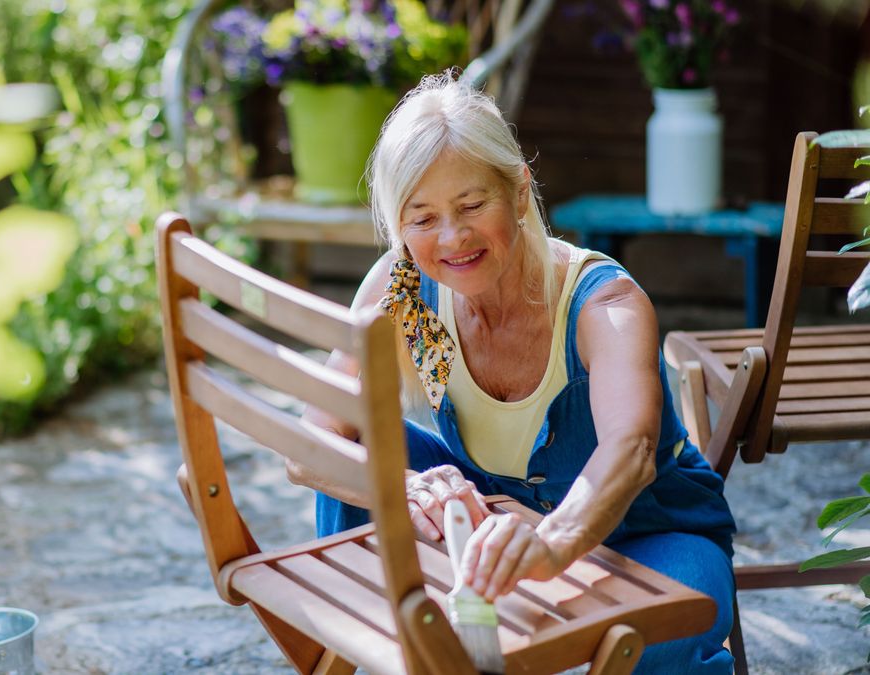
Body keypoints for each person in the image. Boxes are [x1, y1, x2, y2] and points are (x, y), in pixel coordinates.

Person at [286, 71, 737, 673]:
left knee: (664, 635)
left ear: (520, 192)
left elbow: (631, 451)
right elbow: (307, 446)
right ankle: (390, 645)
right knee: (356, 452)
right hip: (492, 511)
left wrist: (551, 544)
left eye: (472, 205)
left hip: (647, 532)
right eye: (421, 218)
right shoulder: (404, 289)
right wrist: (406, 486)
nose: (453, 236)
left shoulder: (603, 304)